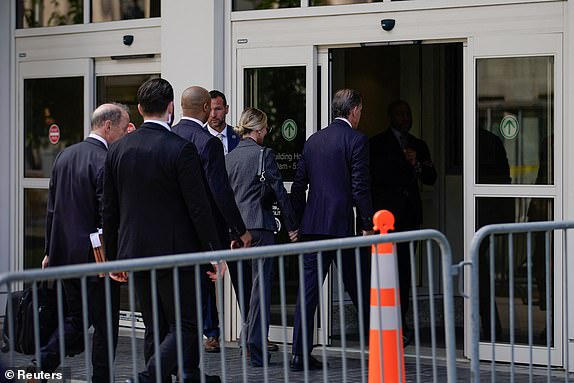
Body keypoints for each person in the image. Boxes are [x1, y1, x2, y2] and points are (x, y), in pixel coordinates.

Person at [102, 78, 221, 383]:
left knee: (154, 327)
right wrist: (213, 252)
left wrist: (113, 257)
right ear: (170, 108)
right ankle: (148, 376)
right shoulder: (181, 149)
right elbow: (199, 207)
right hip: (176, 253)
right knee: (186, 326)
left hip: (136, 253)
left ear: (140, 109)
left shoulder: (117, 150)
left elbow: (110, 210)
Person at [36, 103, 130, 382]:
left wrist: (48, 251)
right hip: (97, 257)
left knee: (78, 317)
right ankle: (100, 377)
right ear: (108, 126)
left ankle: (40, 365)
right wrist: (115, 255)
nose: (126, 134)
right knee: (104, 323)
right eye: (125, 128)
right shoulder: (105, 159)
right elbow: (107, 213)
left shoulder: (65, 155)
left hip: (65, 254)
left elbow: (52, 208)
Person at [290, 89, 373, 371]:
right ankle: (378, 345)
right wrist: (367, 223)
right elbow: (360, 186)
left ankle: (299, 353)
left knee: (308, 292)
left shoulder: (314, 141)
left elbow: (299, 184)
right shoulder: (357, 140)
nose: (361, 115)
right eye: (361, 110)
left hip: (313, 226)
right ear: (354, 110)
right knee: (360, 288)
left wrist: (296, 223)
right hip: (343, 226)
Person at [172, 86, 252, 354]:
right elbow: (220, 191)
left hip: (177, 232)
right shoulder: (207, 142)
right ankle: (209, 335)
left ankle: (248, 331)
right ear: (206, 108)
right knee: (204, 284)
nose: (215, 113)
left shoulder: (170, 136)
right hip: (211, 228)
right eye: (212, 107)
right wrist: (239, 229)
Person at [225, 107, 299, 367]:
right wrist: (292, 226)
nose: (266, 133)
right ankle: (255, 349)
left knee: (247, 291)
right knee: (261, 291)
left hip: (236, 231)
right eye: (265, 128)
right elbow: (279, 191)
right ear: (256, 129)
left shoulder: (229, 157)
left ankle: (248, 340)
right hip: (259, 228)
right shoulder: (264, 154)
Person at [369, 100, 437, 345]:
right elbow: (375, 176)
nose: (405, 118)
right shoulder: (376, 143)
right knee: (385, 271)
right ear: (390, 117)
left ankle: (402, 323)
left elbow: (431, 177)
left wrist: (416, 164)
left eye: (408, 114)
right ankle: (383, 324)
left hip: (409, 216)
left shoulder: (418, 145)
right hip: (385, 217)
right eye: (400, 114)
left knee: (405, 271)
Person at [206, 90, 240, 155]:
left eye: (218, 109)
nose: (213, 115)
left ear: (226, 109)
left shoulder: (238, 135)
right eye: (209, 110)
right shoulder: (198, 138)